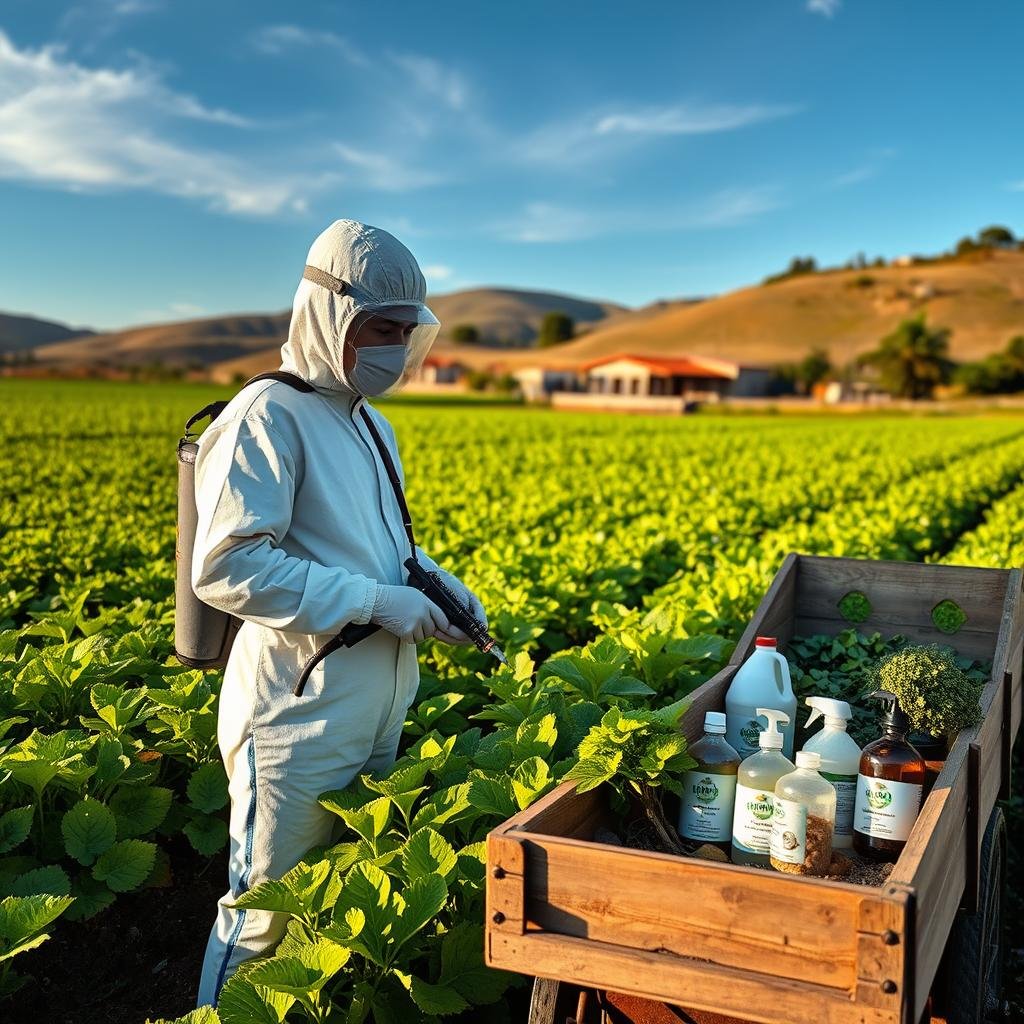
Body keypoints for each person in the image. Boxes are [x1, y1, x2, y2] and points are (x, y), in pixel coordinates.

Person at [192, 219, 487, 1006]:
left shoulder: (369, 422)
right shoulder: (267, 415)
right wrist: (373, 602)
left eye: (406, 331)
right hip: (295, 719)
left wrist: (437, 587)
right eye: (381, 329)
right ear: (330, 315)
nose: (397, 347)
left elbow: (383, 548)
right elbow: (226, 567)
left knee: (339, 902)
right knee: (262, 918)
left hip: (375, 707)